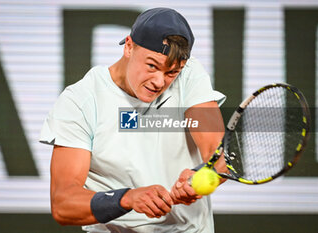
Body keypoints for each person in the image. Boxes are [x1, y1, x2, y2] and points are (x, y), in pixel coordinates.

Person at [40, 7, 227, 233]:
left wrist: (203, 174)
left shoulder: (190, 74)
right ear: (129, 46)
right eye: (152, 66)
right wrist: (127, 198)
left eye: (171, 73)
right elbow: (63, 203)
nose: (159, 81)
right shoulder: (81, 101)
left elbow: (219, 154)